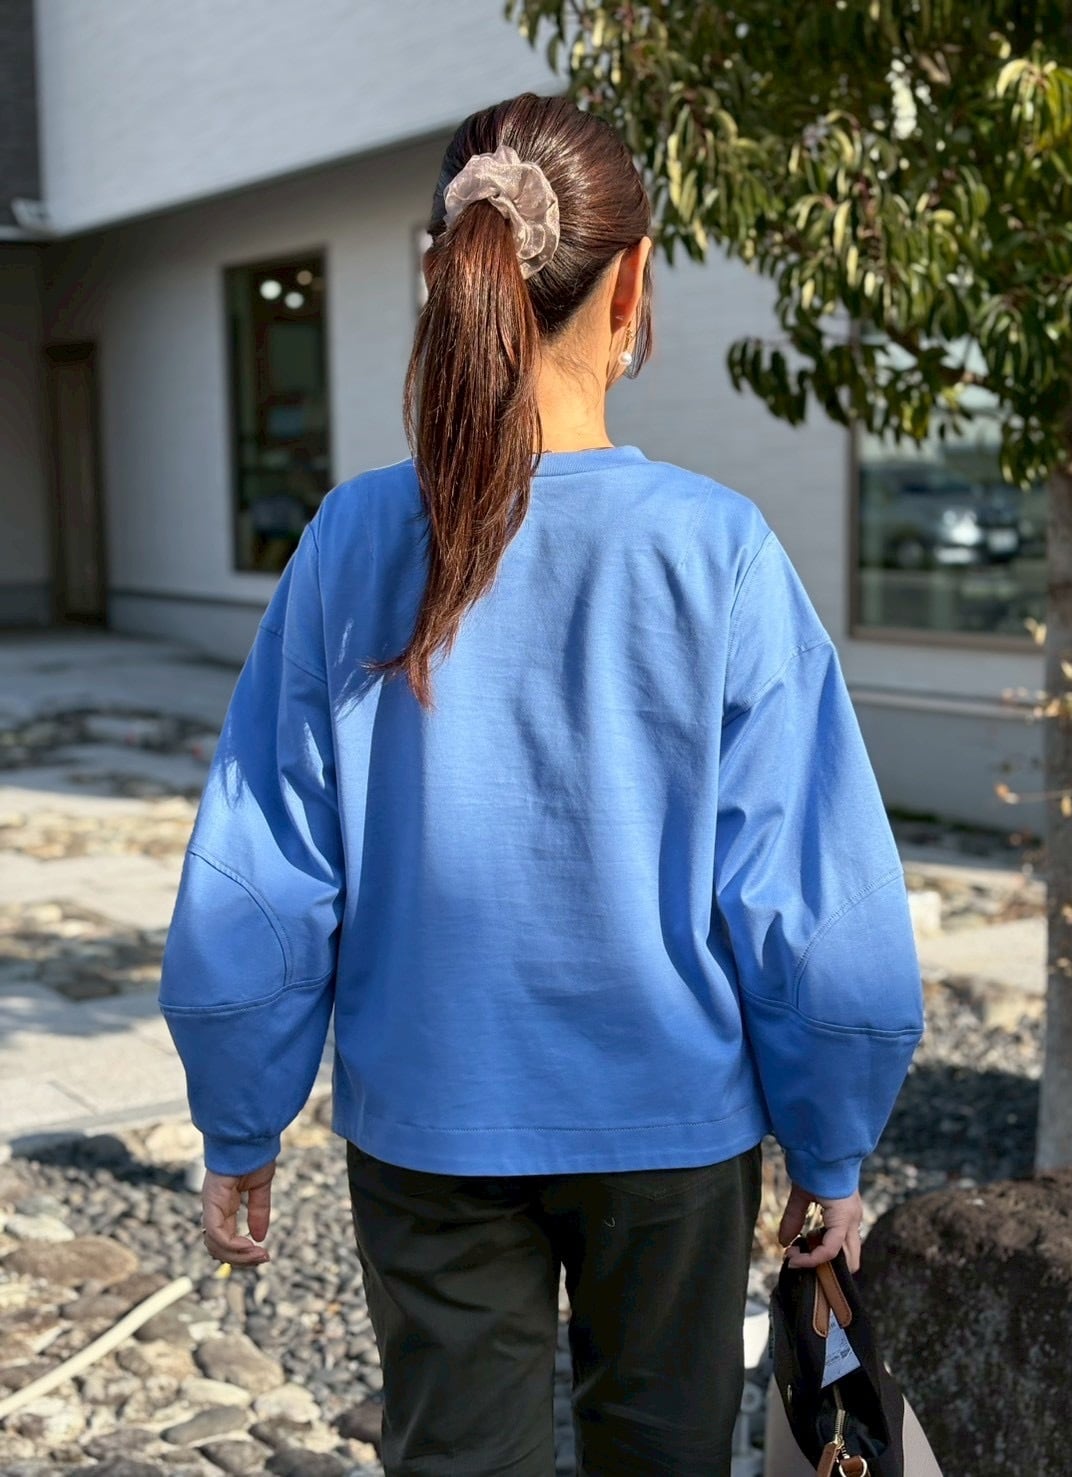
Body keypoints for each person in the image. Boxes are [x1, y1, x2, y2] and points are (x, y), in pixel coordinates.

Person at [159, 92, 925, 1477]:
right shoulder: (718, 549)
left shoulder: (352, 538)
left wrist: (240, 1113)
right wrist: (831, 1147)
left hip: (427, 1119)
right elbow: (813, 898)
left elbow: (265, 864)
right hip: (671, 1128)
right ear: (631, 287)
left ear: (446, 273)